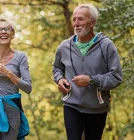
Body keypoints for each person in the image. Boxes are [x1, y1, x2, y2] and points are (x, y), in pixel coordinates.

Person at [52, 4, 122, 140]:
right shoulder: (64, 46)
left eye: (81, 19)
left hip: (97, 108)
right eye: (74, 19)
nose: (76, 24)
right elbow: (57, 68)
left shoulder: (106, 45)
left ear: (92, 22)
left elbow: (116, 77)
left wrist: (91, 80)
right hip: (71, 105)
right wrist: (59, 79)